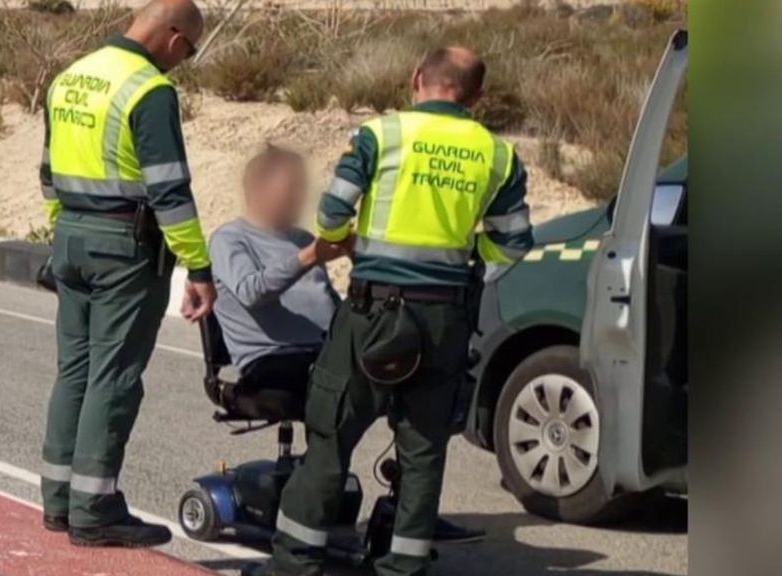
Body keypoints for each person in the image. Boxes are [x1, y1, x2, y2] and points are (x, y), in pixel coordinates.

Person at [244, 46, 534, 576]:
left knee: (331, 435)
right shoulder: (498, 155)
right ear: (477, 97)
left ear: (416, 78)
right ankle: (402, 568)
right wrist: (465, 265)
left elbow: (332, 213)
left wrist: (351, 244)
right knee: (423, 451)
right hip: (445, 318)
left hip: (372, 310)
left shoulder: (381, 135)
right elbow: (513, 242)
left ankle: (294, 565)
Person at [37, 0, 216, 548]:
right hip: (124, 248)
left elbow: (48, 173)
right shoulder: (149, 90)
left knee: (75, 371)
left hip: (71, 236)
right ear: (173, 37)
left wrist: (65, 231)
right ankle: (94, 509)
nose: (183, 61)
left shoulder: (70, 77)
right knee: (113, 377)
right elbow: (169, 189)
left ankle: (59, 500)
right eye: (188, 51)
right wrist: (197, 265)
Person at [209, 145, 346, 421]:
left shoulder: (304, 239)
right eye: (290, 190)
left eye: (301, 189)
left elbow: (333, 307)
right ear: (258, 190)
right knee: (330, 392)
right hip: (273, 359)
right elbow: (251, 292)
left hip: (322, 353)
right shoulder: (229, 239)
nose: (299, 198)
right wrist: (308, 257)